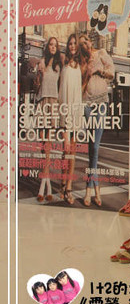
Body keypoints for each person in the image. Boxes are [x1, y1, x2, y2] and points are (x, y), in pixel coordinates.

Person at [78, 34, 114, 207]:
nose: (85, 44)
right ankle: (95, 189)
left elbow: (112, 73)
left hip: (100, 102)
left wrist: (99, 71)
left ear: (90, 41)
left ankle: (89, 189)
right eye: (81, 44)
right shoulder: (82, 62)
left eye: (86, 41)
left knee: (95, 147)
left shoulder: (101, 53)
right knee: (91, 146)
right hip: (87, 103)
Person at [35, 37, 64, 203]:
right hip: (42, 102)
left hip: (53, 103)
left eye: (55, 45)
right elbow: (37, 86)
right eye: (51, 45)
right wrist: (38, 75)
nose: (53, 47)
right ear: (47, 47)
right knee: (42, 146)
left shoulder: (58, 65)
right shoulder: (42, 62)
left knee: (49, 146)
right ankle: (48, 186)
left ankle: (43, 187)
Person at [59, 34, 83, 205]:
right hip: (65, 111)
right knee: (65, 151)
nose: (73, 46)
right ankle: (62, 183)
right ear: (67, 46)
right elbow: (61, 92)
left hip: (75, 112)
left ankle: (68, 187)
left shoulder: (80, 65)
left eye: (75, 43)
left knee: (73, 152)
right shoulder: (64, 64)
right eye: (70, 43)